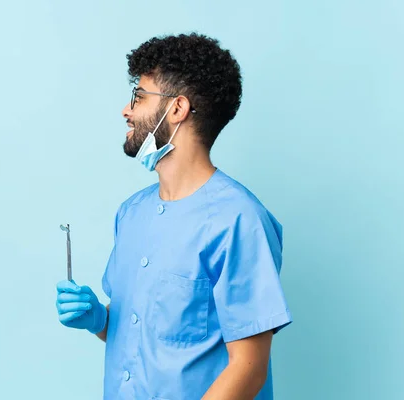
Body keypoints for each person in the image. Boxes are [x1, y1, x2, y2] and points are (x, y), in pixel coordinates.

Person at [56, 32, 292, 400]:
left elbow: (248, 367)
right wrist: (101, 320)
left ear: (177, 109)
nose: (126, 110)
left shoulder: (239, 221)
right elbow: (143, 335)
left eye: (139, 96)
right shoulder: (131, 214)